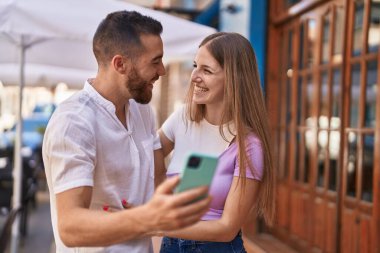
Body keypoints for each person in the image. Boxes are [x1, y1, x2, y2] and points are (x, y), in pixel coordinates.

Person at [42, 10, 211, 253]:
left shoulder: (142, 111)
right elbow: (70, 227)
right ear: (120, 64)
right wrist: (147, 218)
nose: (162, 71)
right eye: (155, 61)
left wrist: (191, 192)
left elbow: (157, 179)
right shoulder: (74, 122)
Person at [156, 32, 276, 253]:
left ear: (234, 78)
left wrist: (156, 224)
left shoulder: (248, 145)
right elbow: (145, 159)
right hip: (171, 245)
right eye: (195, 65)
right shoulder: (182, 119)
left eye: (207, 70)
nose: (194, 76)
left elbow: (227, 228)